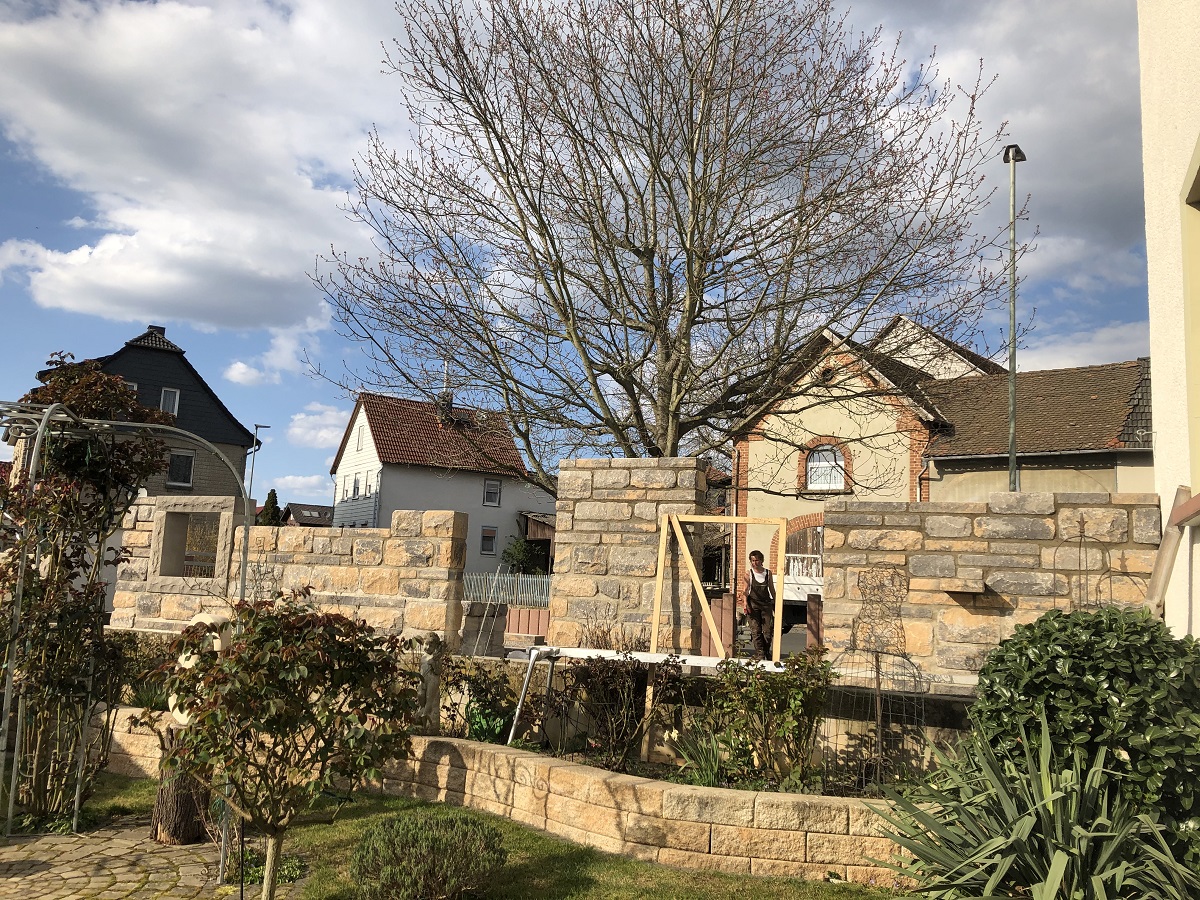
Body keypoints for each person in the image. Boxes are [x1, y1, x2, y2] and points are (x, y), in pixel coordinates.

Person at [742, 550, 776, 660]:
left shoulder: (768, 573)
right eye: (752, 561)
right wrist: (745, 603)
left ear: (761, 561)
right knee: (755, 630)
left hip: (766, 604)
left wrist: (776, 603)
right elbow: (745, 590)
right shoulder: (749, 573)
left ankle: (766, 651)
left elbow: (772, 589)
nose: (754, 563)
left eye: (756, 560)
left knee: (768, 631)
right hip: (753, 604)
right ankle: (760, 653)